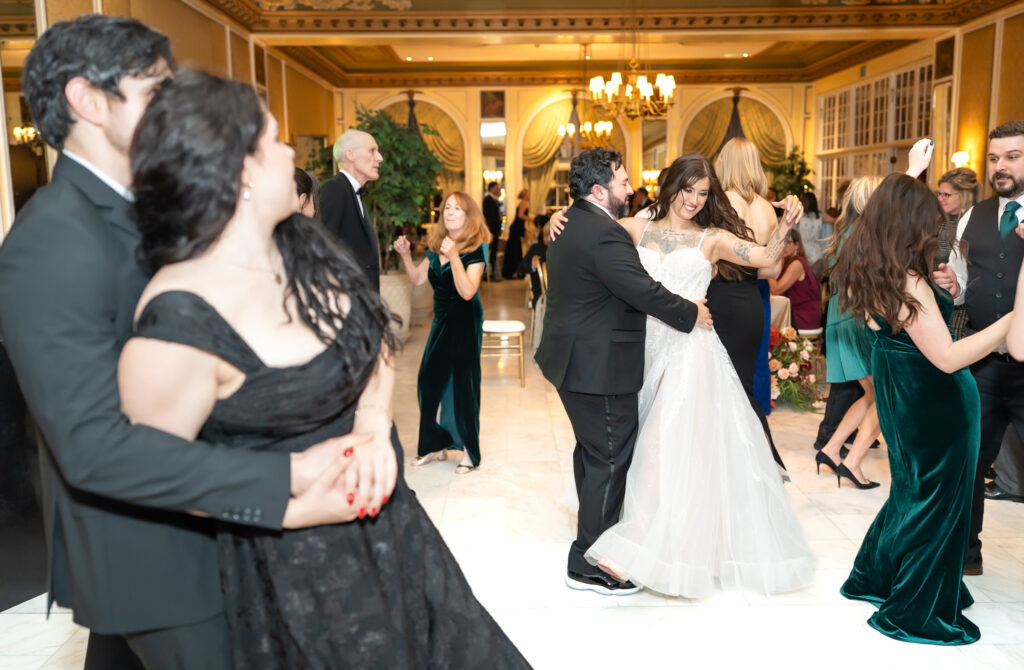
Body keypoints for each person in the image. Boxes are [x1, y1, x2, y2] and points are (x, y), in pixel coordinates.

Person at [121, 71, 531, 669]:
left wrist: (370, 424)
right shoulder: (178, 313)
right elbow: (151, 473)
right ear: (233, 170)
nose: (292, 152)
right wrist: (291, 497)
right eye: (273, 141)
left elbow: (377, 346)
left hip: (394, 531)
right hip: (287, 563)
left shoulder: (308, 253)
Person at [0, 17, 365, 670]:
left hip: (198, 529)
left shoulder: (148, 205)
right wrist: (286, 475)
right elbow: (93, 448)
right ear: (88, 101)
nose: (175, 112)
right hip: (153, 556)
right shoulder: (53, 240)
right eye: (153, 92)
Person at [582, 154, 814, 596]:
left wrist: (787, 222)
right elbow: (589, 229)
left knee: (661, 442)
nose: (693, 200)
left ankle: (642, 548)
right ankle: (663, 536)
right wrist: (561, 215)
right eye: (687, 189)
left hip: (691, 351)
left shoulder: (713, 239)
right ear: (671, 186)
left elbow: (766, 257)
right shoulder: (635, 228)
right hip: (644, 346)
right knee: (642, 440)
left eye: (703, 193)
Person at [833, 171, 1012, 645]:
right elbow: (949, 355)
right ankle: (916, 605)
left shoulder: (870, 266)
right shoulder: (909, 282)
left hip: (901, 393)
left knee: (913, 491)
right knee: (937, 500)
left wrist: (948, 293)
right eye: (927, 222)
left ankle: (879, 576)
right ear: (908, 222)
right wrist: (1010, 321)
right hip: (936, 400)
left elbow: (912, 329)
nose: (933, 231)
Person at [535, 148, 712, 596]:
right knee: (611, 459)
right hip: (598, 365)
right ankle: (591, 562)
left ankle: (598, 541)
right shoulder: (605, 234)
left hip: (572, 359)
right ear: (599, 190)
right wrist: (691, 313)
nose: (632, 188)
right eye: (623, 181)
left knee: (593, 454)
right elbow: (643, 291)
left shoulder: (572, 220)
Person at [935, 119, 1024, 577]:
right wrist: (954, 285)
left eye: (1012, 156)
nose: (1000, 166)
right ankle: (967, 555)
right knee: (969, 459)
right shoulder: (975, 215)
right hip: (985, 360)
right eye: (994, 158)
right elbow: (964, 283)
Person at [394, 192, 490, 475]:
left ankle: (469, 452)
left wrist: (455, 256)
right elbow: (417, 280)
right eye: (446, 207)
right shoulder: (436, 247)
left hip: (464, 321)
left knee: (463, 386)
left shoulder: (477, 248)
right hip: (441, 321)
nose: (450, 212)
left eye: (457, 209)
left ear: (468, 216)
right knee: (429, 381)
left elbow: (467, 291)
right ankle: (435, 443)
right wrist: (404, 256)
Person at [712, 137, 791, 471]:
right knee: (748, 376)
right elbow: (772, 268)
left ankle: (740, 460)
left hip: (722, 296)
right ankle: (758, 460)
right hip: (754, 299)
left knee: (720, 380)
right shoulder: (765, 207)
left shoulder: (721, 203)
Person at [320, 128, 383, 290]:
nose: (379, 158)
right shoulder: (334, 189)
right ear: (350, 155)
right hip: (348, 297)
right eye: (372, 151)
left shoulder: (354, 192)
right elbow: (323, 246)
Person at [935, 167, 978, 338]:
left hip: (961, 310)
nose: (940, 199)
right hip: (938, 301)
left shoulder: (973, 225)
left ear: (964, 195)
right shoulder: (938, 221)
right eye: (939, 193)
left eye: (946, 195)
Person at [769, 229, 822, 331]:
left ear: (797, 245)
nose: (783, 246)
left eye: (788, 243)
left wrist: (766, 268)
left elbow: (776, 289)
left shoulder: (797, 263)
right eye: (781, 243)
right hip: (798, 315)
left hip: (803, 319)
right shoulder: (788, 262)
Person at [796, 191, 828, 276]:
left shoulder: (799, 216)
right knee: (815, 283)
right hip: (816, 254)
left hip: (802, 253)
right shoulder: (820, 216)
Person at [501, 189, 529, 278]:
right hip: (516, 229)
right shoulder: (523, 203)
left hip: (516, 229)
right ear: (524, 195)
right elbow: (520, 215)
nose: (529, 196)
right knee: (515, 251)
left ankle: (514, 272)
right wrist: (531, 219)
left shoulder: (522, 202)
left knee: (514, 251)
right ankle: (514, 273)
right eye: (528, 194)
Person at [483, 180, 503, 280]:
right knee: (490, 253)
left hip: (494, 230)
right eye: (496, 187)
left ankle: (491, 275)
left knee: (493, 253)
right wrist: (490, 232)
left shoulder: (493, 200)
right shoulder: (488, 200)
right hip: (491, 231)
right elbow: (488, 218)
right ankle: (488, 275)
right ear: (491, 188)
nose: (498, 189)